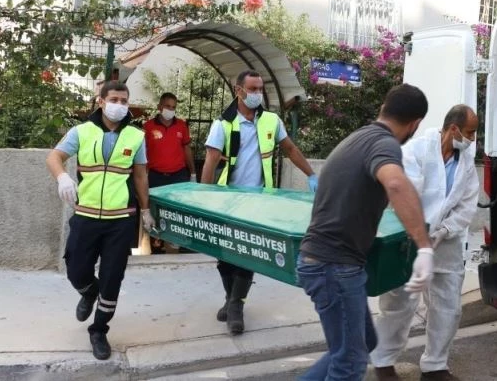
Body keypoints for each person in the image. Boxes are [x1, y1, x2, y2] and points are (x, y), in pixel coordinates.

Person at [297, 83, 435, 381]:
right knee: (349, 362)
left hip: (324, 262)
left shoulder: (359, 137)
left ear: (383, 108)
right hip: (333, 266)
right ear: (415, 124)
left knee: (362, 345)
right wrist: (424, 246)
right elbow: (396, 184)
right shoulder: (384, 145)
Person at [200, 69, 318, 335]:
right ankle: (231, 301)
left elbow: (289, 148)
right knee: (224, 255)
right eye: (252, 89)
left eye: (260, 89)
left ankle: (236, 307)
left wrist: (311, 174)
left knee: (248, 255)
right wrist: (204, 198)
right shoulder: (223, 124)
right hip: (227, 200)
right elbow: (210, 162)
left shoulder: (271, 121)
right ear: (238, 90)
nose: (257, 94)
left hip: (259, 200)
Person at [45, 81, 154, 361]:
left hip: (120, 220)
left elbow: (140, 175)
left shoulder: (136, 136)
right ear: (102, 101)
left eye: (124, 100)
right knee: (75, 269)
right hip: (86, 215)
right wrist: (62, 177)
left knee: (112, 278)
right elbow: (54, 157)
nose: (120, 104)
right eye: (115, 99)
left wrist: (145, 210)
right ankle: (88, 291)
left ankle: (99, 330)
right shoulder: (82, 131)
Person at [371, 105, 480, 381]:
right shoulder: (416, 150)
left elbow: (468, 203)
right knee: (399, 303)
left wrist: (443, 230)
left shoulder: (466, 159)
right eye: (470, 132)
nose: (473, 139)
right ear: (453, 129)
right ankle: (383, 363)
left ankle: (435, 366)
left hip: (447, 242)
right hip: (409, 240)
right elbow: (405, 195)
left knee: (448, 306)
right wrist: (422, 233)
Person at [143, 92, 196, 254]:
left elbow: (186, 149)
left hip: (178, 176)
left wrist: (193, 173)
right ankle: (156, 246)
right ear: (160, 107)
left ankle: (176, 243)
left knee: (177, 211)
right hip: (156, 176)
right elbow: (142, 153)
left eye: (173, 107)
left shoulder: (181, 125)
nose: (170, 110)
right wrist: (143, 176)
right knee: (155, 212)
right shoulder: (148, 127)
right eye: (167, 106)